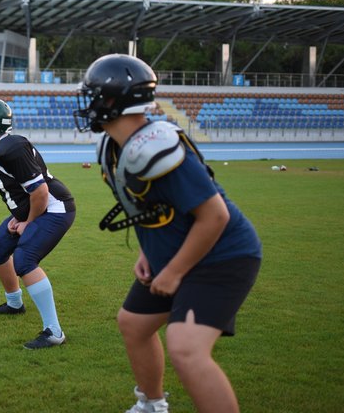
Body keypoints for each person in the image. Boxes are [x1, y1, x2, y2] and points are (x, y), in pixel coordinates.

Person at [73, 54, 262, 413]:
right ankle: (153, 404)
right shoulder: (112, 148)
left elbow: (214, 216)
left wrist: (173, 271)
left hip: (222, 255)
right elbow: (156, 210)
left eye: (95, 95)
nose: (90, 103)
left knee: (186, 348)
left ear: (116, 99)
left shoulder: (159, 145)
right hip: (179, 251)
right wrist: (149, 253)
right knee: (133, 324)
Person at [0, 97, 76, 349]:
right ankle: (15, 304)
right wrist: (18, 215)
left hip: (54, 208)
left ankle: (54, 331)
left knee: (25, 260)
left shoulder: (11, 147)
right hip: (35, 208)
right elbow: (18, 191)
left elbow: (41, 192)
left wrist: (28, 221)